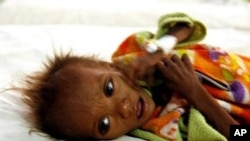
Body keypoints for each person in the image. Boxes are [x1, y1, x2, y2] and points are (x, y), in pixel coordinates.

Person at [18, 13, 249, 141]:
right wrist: (195, 94)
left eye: (109, 88)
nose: (124, 109)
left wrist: (158, 49)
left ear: (108, 66)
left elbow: (184, 25)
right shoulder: (165, 128)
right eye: (104, 124)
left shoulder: (135, 56)